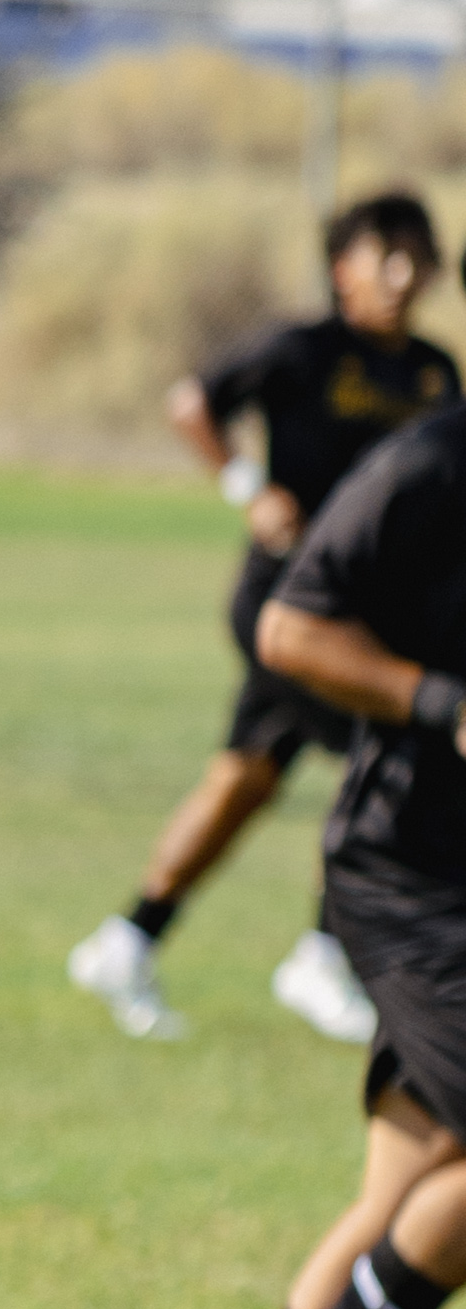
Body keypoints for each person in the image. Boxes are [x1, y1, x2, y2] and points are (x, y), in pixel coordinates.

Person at [176, 391, 466, 1309]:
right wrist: (440, 702)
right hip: (407, 869)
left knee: (409, 1180)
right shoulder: (429, 465)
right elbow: (291, 634)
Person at [68, 193, 455, 1046]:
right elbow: (191, 403)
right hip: (297, 609)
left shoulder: (434, 373)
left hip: (380, 619)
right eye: (381, 253)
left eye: (415, 255)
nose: (400, 273)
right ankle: (325, 953)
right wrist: (248, 488)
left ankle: (132, 935)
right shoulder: (301, 350)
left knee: (248, 775)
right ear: (339, 266)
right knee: (385, 750)